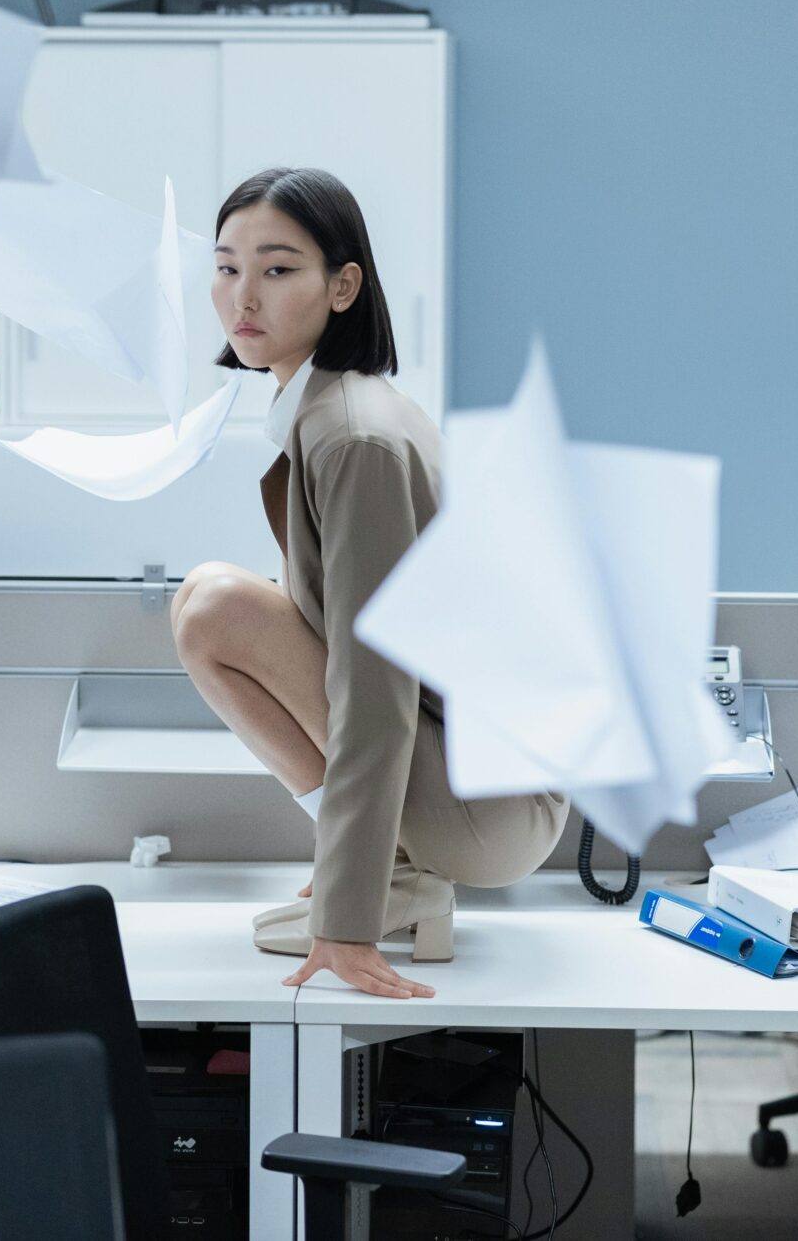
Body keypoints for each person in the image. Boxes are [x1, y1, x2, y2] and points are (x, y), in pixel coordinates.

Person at [169, 168, 567, 1001]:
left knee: (214, 607)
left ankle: (384, 878)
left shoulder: (354, 438)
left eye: (277, 269)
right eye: (227, 265)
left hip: (490, 804)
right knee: (205, 603)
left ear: (343, 285)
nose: (243, 294)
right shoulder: (327, 413)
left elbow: (375, 685)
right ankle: (389, 871)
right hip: (467, 775)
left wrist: (343, 925)